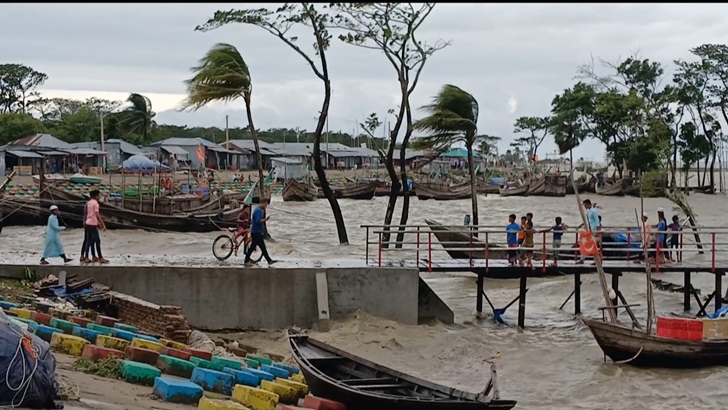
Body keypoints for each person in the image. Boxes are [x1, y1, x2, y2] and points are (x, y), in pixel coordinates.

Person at [244, 198, 276, 267]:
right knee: (254, 247)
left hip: (257, 232)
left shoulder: (258, 210)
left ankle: (269, 260)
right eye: (265, 205)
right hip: (256, 232)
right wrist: (265, 219)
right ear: (262, 203)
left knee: (261, 247)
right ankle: (246, 260)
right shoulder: (258, 210)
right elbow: (257, 221)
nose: (266, 206)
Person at [83, 190, 108, 264]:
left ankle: (87, 257)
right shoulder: (96, 204)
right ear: (95, 196)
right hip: (92, 224)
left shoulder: (89, 203)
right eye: (98, 195)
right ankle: (100, 257)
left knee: (88, 241)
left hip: (88, 223)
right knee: (97, 241)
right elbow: (96, 214)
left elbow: (89, 214)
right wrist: (102, 223)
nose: (99, 197)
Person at [577, 199, 600, 265]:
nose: (584, 206)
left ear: (587, 204)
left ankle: (597, 260)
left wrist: (597, 231)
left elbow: (597, 221)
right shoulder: (589, 211)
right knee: (586, 244)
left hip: (592, 230)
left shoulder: (593, 211)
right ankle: (582, 259)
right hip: (588, 230)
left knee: (593, 245)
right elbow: (588, 221)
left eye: (585, 205)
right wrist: (582, 225)